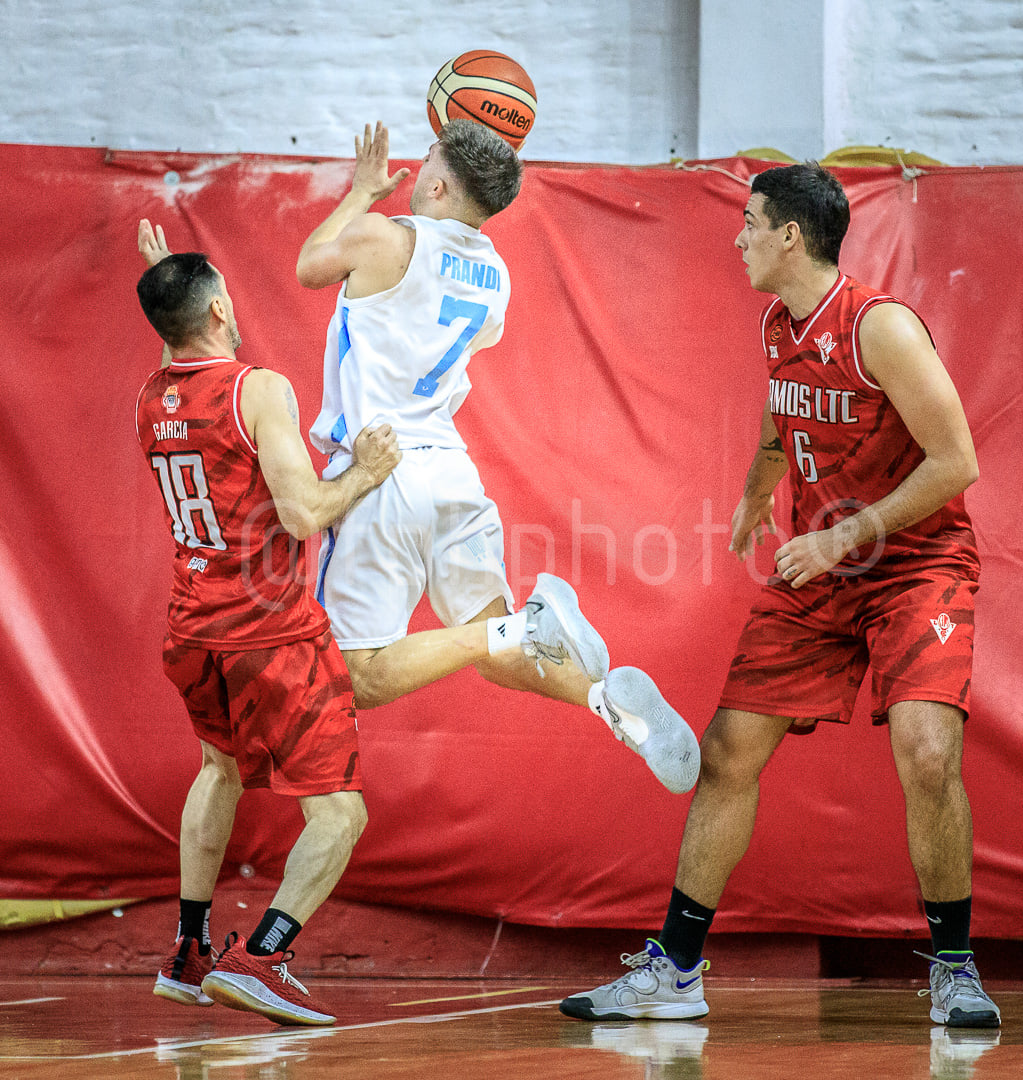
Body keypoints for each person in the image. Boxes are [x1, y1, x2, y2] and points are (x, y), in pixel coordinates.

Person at [560, 163, 1000, 1029]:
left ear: (790, 236)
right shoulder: (778, 323)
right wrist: (759, 486)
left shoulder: (883, 329)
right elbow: (780, 407)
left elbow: (958, 463)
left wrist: (843, 533)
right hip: (820, 572)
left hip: (915, 565)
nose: (740, 238)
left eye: (750, 223)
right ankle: (675, 973)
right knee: (728, 751)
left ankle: (955, 968)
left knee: (927, 752)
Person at [294, 120, 699, 794]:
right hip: (451, 472)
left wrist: (361, 191)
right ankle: (606, 704)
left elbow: (310, 266)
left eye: (426, 157)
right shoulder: (496, 274)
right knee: (492, 642)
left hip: (378, 467)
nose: (415, 166)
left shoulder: (380, 235)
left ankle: (527, 625)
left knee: (356, 675)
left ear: (439, 183)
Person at [135, 220, 402, 1026]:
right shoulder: (259, 388)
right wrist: (367, 471)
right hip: (271, 635)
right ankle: (264, 955)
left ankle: (189, 951)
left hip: (193, 630)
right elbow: (303, 511)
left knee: (218, 771)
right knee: (342, 813)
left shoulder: (153, 396)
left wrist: (168, 280)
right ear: (218, 306)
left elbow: (177, 339)